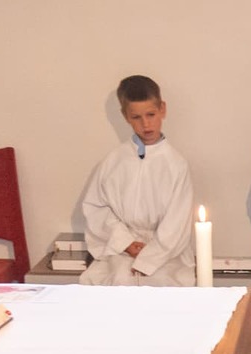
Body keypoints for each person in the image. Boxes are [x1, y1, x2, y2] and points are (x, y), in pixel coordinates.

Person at [80, 75, 194, 286]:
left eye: (151, 114)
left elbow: (177, 223)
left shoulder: (176, 165)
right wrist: (125, 242)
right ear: (125, 117)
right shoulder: (114, 161)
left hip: (166, 254)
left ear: (162, 109)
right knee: (119, 280)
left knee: (160, 284)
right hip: (121, 248)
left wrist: (149, 259)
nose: (146, 124)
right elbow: (97, 208)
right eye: (136, 117)